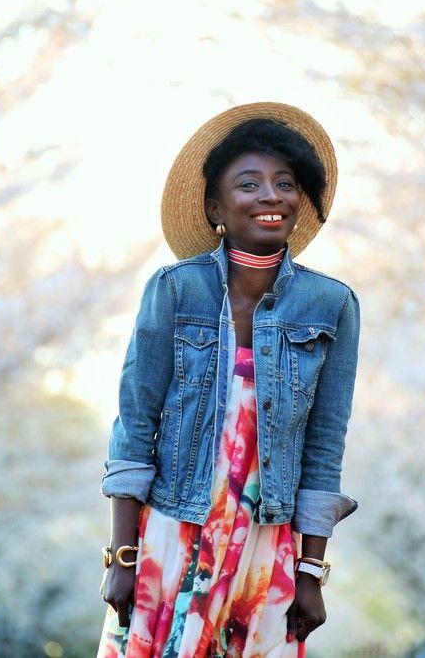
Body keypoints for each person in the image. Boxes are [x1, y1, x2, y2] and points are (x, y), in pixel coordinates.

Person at [97, 102, 360, 658]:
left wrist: (310, 569)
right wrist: (123, 555)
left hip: (268, 543)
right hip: (173, 530)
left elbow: (324, 448)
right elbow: (133, 426)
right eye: (249, 184)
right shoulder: (174, 291)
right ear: (216, 206)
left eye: (285, 183)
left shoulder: (332, 305)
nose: (271, 195)